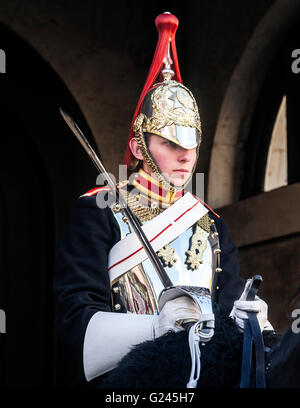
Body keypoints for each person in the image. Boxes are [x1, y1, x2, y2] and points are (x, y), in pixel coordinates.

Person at [53, 12, 276, 389]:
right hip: (128, 383)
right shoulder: (99, 210)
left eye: (192, 144)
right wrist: (153, 326)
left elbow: (227, 309)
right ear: (138, 146)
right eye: (171, 143)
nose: (186, 156)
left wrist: (249, 321)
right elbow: (75, 322)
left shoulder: (212, 223)